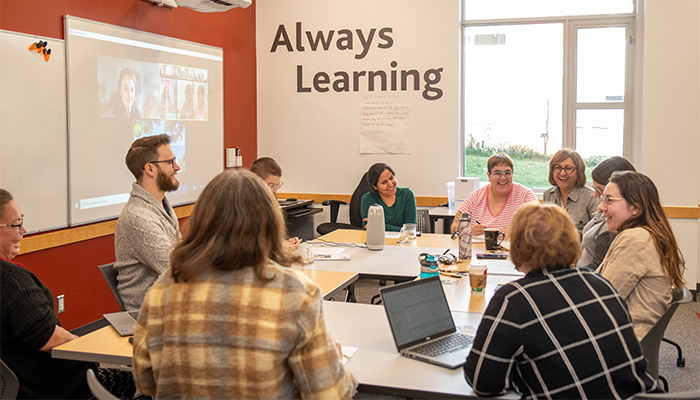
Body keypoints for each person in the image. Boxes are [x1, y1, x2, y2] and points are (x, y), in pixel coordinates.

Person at [132, 170, 358, 399]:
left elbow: (145, 383)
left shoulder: (163, 288)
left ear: (202, 220)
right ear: (270, 222)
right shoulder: (296, 292)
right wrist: (335, 360)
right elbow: (330, 394)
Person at [464, 204, 658, 399]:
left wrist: (521, 376)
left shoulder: (514, 298)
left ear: (517, 246)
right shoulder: (600, 284)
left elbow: (483, 383)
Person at [0, 189, 94, 399]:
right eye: (16, 224)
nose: (24, 229)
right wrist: (89, 347)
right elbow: (52, 339)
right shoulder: (14, 284)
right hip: (47, 387)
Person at [597, 171, 686, 340]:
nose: (601, 206)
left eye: (609, 200)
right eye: (602, 199)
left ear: (635, 208)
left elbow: (604, 301)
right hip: (629, 335)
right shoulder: (649, 234)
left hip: (622, 342)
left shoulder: (635, 239)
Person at [114, 134, 181, 311]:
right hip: (151, 314)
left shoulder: (161, 205)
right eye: (170, 162)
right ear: (150, 169)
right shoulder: (138, 217)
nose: (177, 167)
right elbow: (178, 269)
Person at [449, 153, 537, 236]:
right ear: (489, 176)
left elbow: (541, 226)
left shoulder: (525, 195)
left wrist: (513, 234)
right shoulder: (475, 196)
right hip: (478, 249)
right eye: (497, 173)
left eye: (507, 173)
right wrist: (469, 230)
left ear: (512, 174)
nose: (503, 178)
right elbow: (454, 227)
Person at [576, 156, 636, 269]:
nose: (595, 194)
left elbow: (599, 268)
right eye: (595, 188)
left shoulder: (616, 225)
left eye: (600, 190)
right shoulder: (604, 214)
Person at [543, 148, 598, 236]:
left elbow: (596, 236)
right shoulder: (548, 195)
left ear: (579, 172)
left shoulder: (592, 197)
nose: (562, 173)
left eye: (568, 168)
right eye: (557, 168)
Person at [360, 163, 416, 232]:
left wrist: (379, 226)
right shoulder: (368, 199)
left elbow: (409, 230)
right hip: (375, 240)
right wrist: (401, 230)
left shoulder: (407, 195)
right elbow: (368, 227)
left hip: (402, 241)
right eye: (384, 182)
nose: (390, 184)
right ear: (375, 187)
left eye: (391, 178)